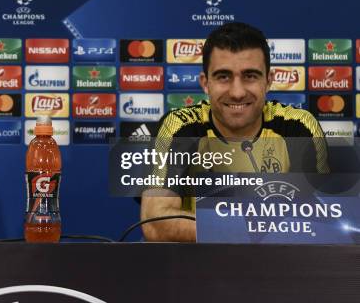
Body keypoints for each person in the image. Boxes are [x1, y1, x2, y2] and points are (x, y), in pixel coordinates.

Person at [141, 22, 328, 242]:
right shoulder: (179, 127)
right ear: (205, 83)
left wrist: (227, 229)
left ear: (268, 81)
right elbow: (154, 223)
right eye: (223, 76)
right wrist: (244, 230)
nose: (237, 92)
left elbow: (322, 222)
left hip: (278, 268)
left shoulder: (300, 126)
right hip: (199, 270)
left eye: (250, 76)